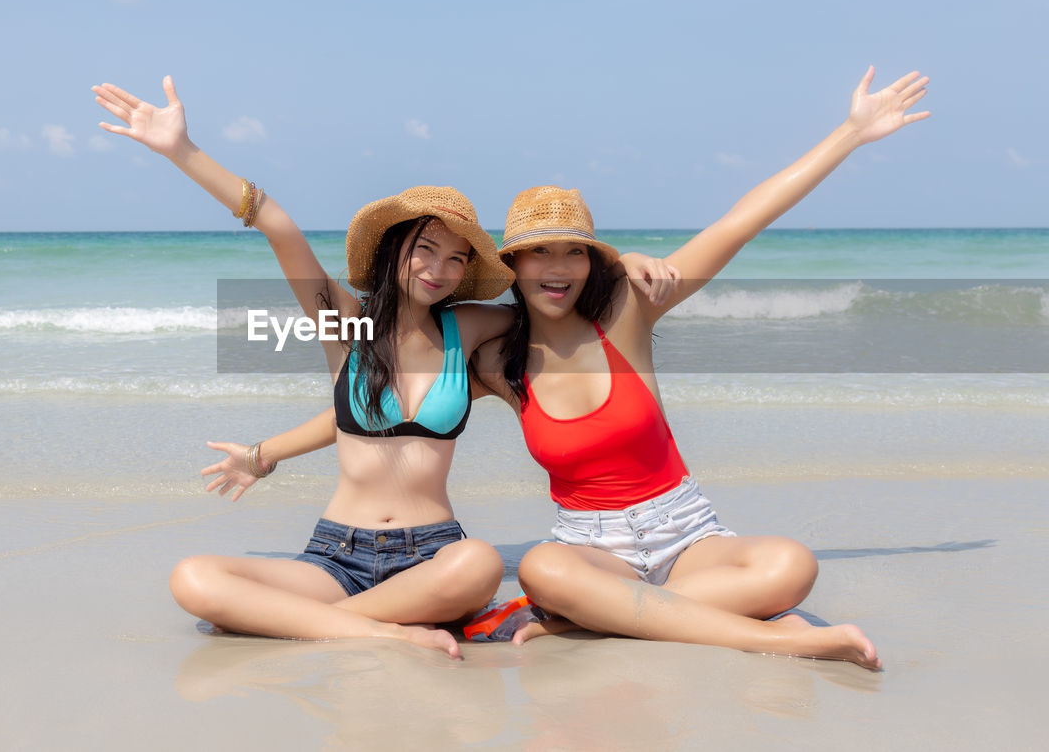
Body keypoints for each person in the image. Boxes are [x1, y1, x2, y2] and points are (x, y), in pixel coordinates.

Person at [217, 67, 929, 668]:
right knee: (542, 570)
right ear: (514, 265)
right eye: (539, 252)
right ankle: (772, 640)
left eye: (574, 251)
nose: (557, 267)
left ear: (593, 259)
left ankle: (596, 618)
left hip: (688, 535)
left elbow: (740, 222)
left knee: (791, 565)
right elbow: (381, 404)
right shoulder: (499, 354)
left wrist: (850, 134)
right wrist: (266, 451)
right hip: (588, 552)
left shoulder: (629, 312)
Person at [93, 76, 524, 659]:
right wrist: (181, 150)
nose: (438, 268)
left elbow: (553, 307)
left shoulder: (468, 328)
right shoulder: (346, 323)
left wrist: (620, 270)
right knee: (192, 576)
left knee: (481, 564)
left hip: (434, 555)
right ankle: (381, 630)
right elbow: (275, 223)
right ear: (393, 248)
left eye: (455, 258)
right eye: (425, 247)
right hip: (336, 556)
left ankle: (307, 623)